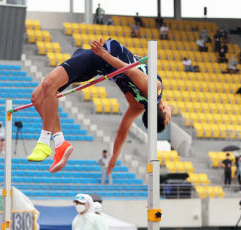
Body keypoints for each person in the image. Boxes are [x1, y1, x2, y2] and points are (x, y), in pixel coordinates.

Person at [26, 38, 172, 175]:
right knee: (37, 98)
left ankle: (44, 141)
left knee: (47, 86)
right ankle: (60, 143)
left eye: (167, 120)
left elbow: (128, 70)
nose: (169, 118)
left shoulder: (154, 87)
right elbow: (122, 132)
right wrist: (114, 158)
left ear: (163, 110)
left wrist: (103, 53)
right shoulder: (138, 106)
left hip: (99, 58)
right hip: (97, 62)